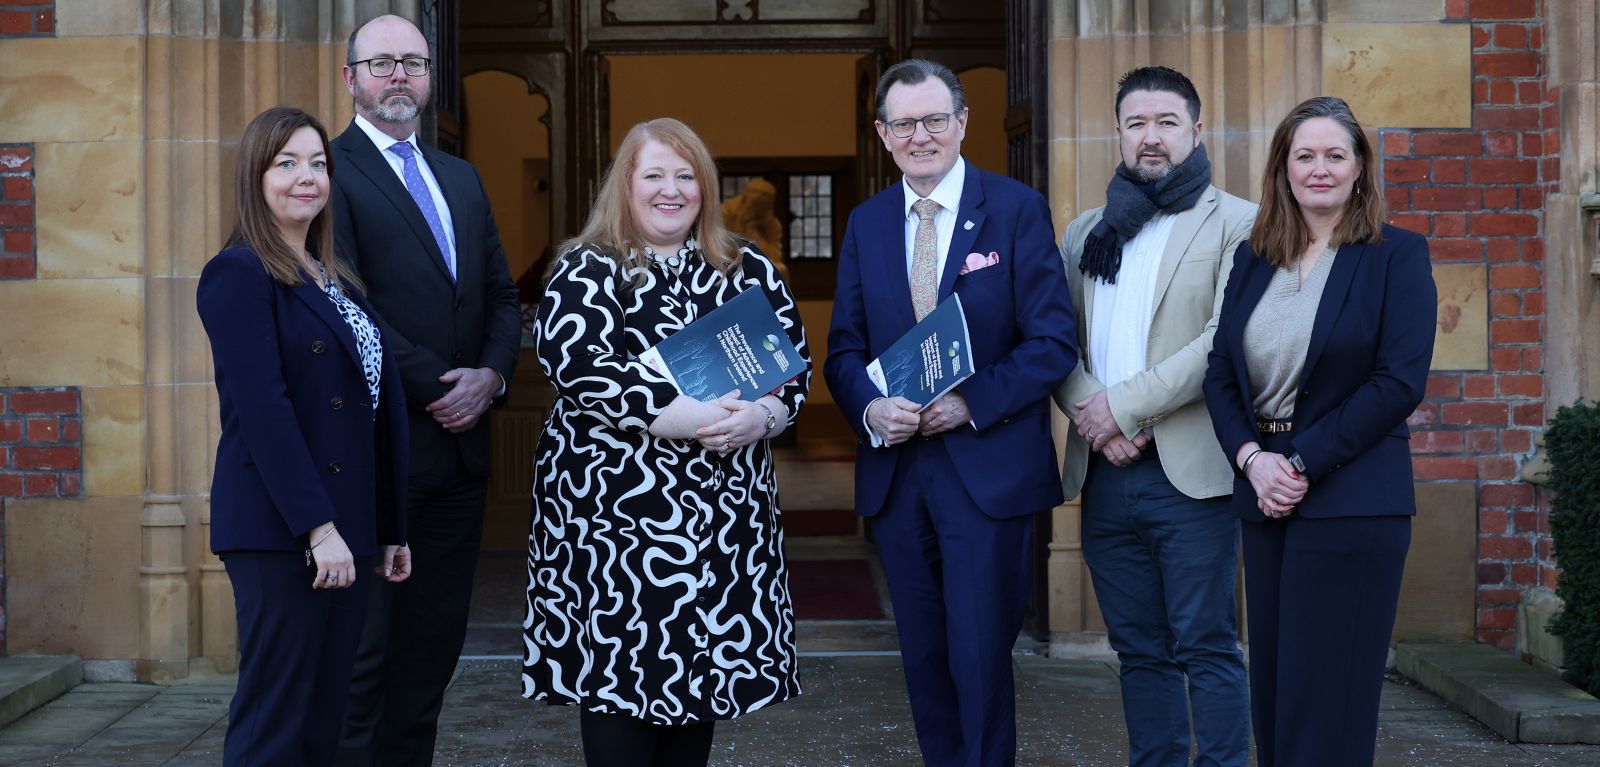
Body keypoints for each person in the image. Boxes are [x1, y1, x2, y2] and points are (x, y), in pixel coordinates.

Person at [524, 117, 810, 767]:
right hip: (613, 532)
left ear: (706, 188)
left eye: (686, 176)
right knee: (620, 691)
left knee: (698, 687)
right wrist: (697, 416)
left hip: (718, 526)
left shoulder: (745, 265)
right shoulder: (586, 268)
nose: (671, 190)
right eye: (653, 174)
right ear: (625, 185)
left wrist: (762, 417)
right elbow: (580, 366)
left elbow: (793, 369)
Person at [823, 59, 1078, 767]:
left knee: (980, 657)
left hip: (986, 469)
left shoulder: (1015, 209)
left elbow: (1054, 342)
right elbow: (842, 351)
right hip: (900, 473)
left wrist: (971, 402)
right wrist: (873, 408)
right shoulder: (867, 222)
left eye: (935, 119)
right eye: (903, 123)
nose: (921, 135)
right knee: (925, 657)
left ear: (962, 122)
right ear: (882, 134)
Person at [1203, 96, 1436, 767]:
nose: (1320, 169)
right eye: (1305, 155)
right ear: (1283, 168)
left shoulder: (1397, 255)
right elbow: (1222, 371)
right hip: (1265, 494)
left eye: (1336, 155)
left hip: (1352, 497)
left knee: (1328, 700)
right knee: (1277, 695)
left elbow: (1399, 382)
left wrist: (1298, 462)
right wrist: (1252, 460)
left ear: (1361, 167)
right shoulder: (1255, 257)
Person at [329, 14, 523, 766]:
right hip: (383, 455)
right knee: (366, 661)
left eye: (413, 62)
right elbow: (347, 303)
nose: (399, 76)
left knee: (431, 660)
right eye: (382, 64)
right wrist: (441, 384)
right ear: (351, 78)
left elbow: (502, 297)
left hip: (461, 461)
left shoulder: (460, 177)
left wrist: (493, 375)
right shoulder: (332, 170)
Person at [197, 105, 411, 766]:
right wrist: (318, 529)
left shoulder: (334, 278)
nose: (306, 177)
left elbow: (372, 407)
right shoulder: (237, 273)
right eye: (286, 163)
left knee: (325, 717)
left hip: (344, 529)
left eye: (317, 163)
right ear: (255, 177)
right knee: (275, 720)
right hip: (279, 530)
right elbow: (265, 411)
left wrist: (388, 525)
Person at [1053, 66, 1254, 767]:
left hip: (1190, 472)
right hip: (1105, 472)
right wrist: (1094, 418)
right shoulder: (1086, 231)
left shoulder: (1237, 221)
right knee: (1138, 649)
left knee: (1206, 641)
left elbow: (1222, 341)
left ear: (1197, 131)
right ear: (1119, 132)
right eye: (1137, 122)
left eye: (1167, 122)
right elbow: (1056, 341)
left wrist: (1122, 408)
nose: (1151, 137)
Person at [721, 178, 787, 276]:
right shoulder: (725, 213)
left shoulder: (771, 224)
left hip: (755, 260)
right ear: (745, 199)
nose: (755, 213)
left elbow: (774, 256)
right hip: (728, 259)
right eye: (753, 207)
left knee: (779, 269)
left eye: (762, 208)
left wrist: (753, 233)